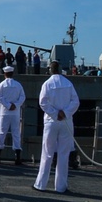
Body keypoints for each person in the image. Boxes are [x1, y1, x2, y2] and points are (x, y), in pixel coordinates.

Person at [33, 60, 80, 193]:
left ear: (50, 70)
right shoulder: (68, 83)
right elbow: (75, 101)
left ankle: (40, 184)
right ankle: (61, 186)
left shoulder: (47, 84)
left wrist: (54, 113)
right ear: (60, 69)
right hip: (66, 121)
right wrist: (64, 113)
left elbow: (42, 102)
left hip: (51, 122)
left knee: (47, 153)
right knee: (63, 154)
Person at [0, 66, 27, 165]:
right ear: (12, 73)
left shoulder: (2, 84)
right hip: (15, 112)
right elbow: (22, 97)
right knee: (16, 133)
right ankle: (17, 156)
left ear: (4, 73)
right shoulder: (18, 85)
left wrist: (8, 105)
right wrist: (15, 105)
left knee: (2, 132)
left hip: (4, 112)